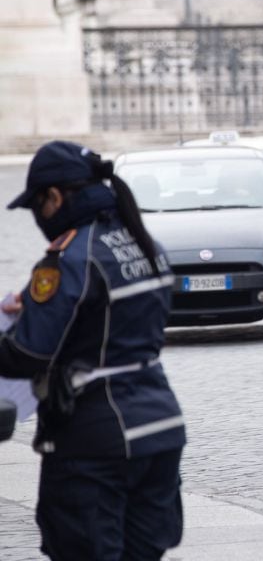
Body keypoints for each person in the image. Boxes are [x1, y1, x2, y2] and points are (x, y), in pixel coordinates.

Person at [0, 141, 185, 560]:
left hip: (96, 438)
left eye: (37, 206)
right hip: (159, 425)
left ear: (56, 197)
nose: (38, 218)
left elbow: (28, 355)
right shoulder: (142, 241)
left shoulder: (68, 258)